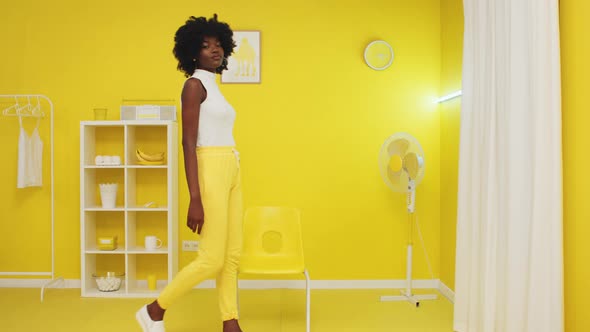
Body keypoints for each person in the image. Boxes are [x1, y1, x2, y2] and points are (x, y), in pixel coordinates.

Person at [136, 14, 244, 332]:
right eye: (205, 45)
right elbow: (187, 141)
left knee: (232, 254)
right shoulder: (194, 85)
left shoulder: (214, 85)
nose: (215, 50)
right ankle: (155, 309)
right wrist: (194, 196)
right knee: (211, 257)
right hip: (210, 166)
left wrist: (232, 170)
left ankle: (230, 321)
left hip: (233, 166)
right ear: (192, 52)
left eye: (218, 44)